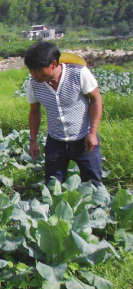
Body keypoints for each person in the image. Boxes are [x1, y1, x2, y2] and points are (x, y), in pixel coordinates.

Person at [25, 41, 103, 187]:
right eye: (30, 70)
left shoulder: (79, 73)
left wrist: (92, 132)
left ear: (54, 64)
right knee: (53, 185)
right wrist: (33, 141)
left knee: (93, 184)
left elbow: (96, 100)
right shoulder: (34, 84)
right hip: (56, 141)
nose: (33, 74)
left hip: (84, 139)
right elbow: (34, 111)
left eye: (37, 70)